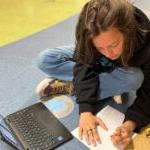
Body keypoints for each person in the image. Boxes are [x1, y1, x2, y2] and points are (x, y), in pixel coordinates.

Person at [36, 0, 150, 149]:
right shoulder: (91, 35)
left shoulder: (146, 47)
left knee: (134, 78)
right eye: (100, 47)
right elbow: (84, 65)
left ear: (128, 33)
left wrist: (130, 124)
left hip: (127, 67)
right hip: (99, 61)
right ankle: (85, 84)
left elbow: (149, 92)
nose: (109, 54)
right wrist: (85, 110)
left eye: (114, 45)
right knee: (46, 59)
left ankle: (80, 85)